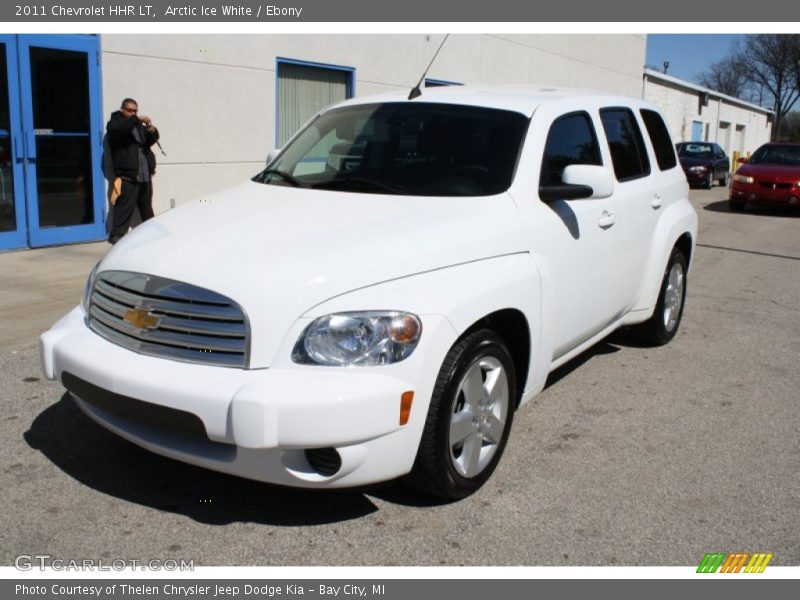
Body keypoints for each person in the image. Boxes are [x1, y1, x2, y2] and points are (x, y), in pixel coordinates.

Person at [106, 98, 159, 244]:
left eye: (135, 111)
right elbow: (119, 131)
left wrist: (152, 130)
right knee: (124, 208)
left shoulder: (137, 126)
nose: (133, 113)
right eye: (130, 110)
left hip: (144, 175)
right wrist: (136, 119)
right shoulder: (115, 124)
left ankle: (152, 233)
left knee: (146, 208)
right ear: (122, 109)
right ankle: (116, 235)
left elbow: (151, 140)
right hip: (127, 176)